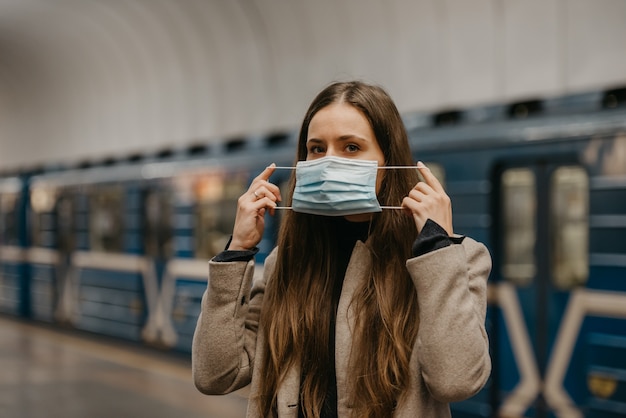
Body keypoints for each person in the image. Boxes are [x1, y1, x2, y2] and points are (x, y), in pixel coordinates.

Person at [192, 80, 492, 418]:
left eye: (351, 147)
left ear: (388, 160)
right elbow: (215, 375)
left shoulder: (457, 258)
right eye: (317, 149)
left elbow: (455, 382)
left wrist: (437, 249)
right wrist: (237, 251)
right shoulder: (286, 263)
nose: (330, 162)